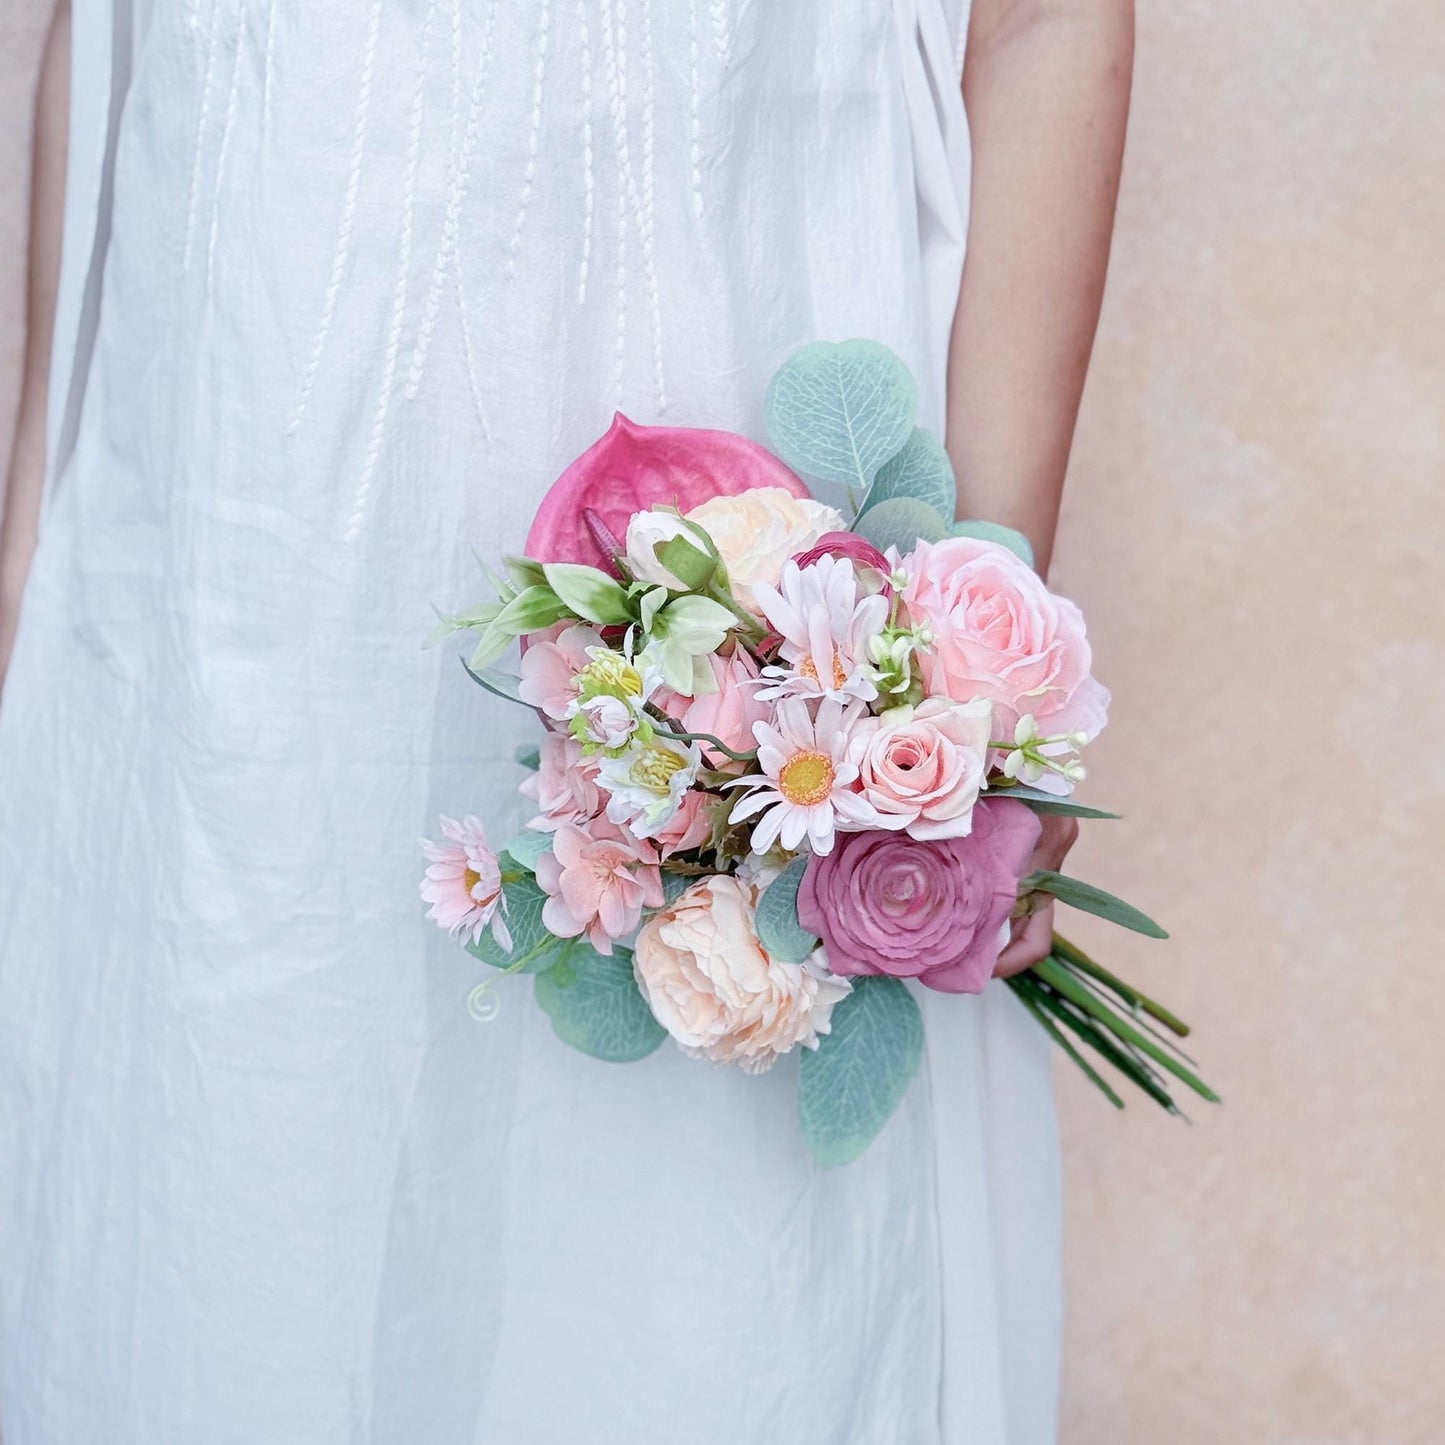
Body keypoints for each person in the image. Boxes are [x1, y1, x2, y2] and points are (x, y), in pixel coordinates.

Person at [0, 1, 1132, 1440]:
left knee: (685, 1281)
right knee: (240, 1222)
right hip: (239, 596)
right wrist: (39, 533)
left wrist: (972, 655)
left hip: (737, 520)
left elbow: (1038, 20)